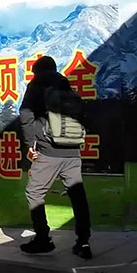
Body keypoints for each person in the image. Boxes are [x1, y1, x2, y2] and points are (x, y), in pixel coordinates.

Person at [18, 56, 92, 260]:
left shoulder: (37, 83)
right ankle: (83, 242)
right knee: (78, 195)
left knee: (34, 192)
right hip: (72, 150)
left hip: (49, 150)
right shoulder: (64, 83)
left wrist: (30, 144)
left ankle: (43, 238)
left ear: (36, 71)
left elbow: (25, 114)